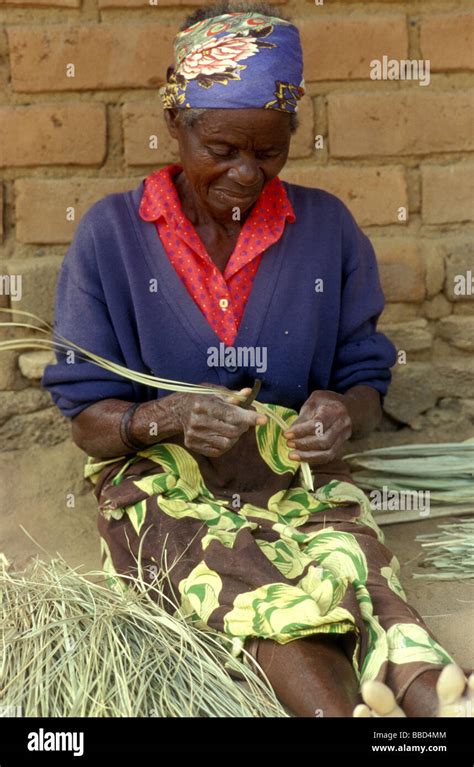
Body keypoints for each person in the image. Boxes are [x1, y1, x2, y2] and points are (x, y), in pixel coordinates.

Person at [42, 1, 472, 717]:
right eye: (223, 148)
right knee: (230, 569)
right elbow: (90, 419)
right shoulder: (111, 235)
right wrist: (164, 418)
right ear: (176, 122)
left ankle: (437, 704)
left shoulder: (325, 227)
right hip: (162, 477)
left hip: (293, 473)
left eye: (268, 151)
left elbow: (363, 378)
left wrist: (342, 414)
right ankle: (343, 715)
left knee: (354, 562)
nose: (247, 172)